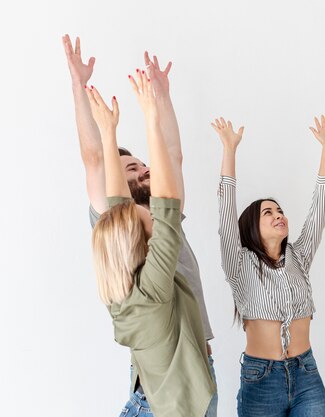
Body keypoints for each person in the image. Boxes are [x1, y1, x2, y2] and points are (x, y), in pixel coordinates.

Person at [62, 35, 218, 415]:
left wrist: (162, 97)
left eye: (146, 165)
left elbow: (173, 157)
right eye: (134, 168)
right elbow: (95, 159)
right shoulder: (120, 223)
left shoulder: (163, 218)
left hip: (195, 365)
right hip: (168, 381)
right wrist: (79, 87)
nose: (147, 168)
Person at [213, 115, 325, 417]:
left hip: (306, 373)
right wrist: (230, 150)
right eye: (268, 212)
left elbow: (320, 207)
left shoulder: (299, 256)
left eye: (280, 210)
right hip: (261, 379)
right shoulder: (239, 265)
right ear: (252, 227)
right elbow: (226, 217)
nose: (278, 215)